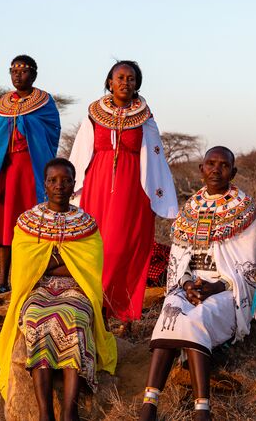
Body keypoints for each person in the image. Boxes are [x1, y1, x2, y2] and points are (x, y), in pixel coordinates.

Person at [138, 147, 256, 421]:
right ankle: (150, 403)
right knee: (171, 309)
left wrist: (217, 286)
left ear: (233, 172)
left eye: (224, 165)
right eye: (211, 164)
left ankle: (202, 408)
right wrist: (187, 282)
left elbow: (249, 265)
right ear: (201, 169)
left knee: (198, 317)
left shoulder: (245, 209)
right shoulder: (190, 208)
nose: (216, 170)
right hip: (191, 284)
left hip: (227, 288)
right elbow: (179, 256)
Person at [0, 158, 117, 421]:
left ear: (74, 185)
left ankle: (70, 411)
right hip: (38, 290)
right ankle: (45, 412)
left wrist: (50, 261)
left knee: (74, 320)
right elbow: (27, 267)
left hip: (77, 289)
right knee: (37, 321)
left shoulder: (86, 223)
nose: (59, 185)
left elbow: (87, 269)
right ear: (45, 184)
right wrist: (66, 260)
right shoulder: (27, 222)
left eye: (66, 180)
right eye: (53, 180)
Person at [69, 60, 178, 322]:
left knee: (126, 248)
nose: (125, 83)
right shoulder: (94, 113)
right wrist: (73, 188)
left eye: (131, 79)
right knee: (98, 247)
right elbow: (82, 150)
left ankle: (124, 313)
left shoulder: (145, 118)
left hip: (133, 189)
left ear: (137, 84)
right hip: (98, 184)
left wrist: (159, 195)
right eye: (120, 77)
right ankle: (97, 309)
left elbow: (155, 157)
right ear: (109, 82)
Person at [0, 55, 61, 295]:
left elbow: (52, 133)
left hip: (31, 170)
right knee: (5, 226)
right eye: (14, 71)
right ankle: (3, 281)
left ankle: (34, 278)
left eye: (23, 71)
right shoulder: (4, 104)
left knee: (33, 226)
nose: (18, 75)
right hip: (6, 171)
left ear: (34, 75)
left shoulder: (44, 103)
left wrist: (25, 125)